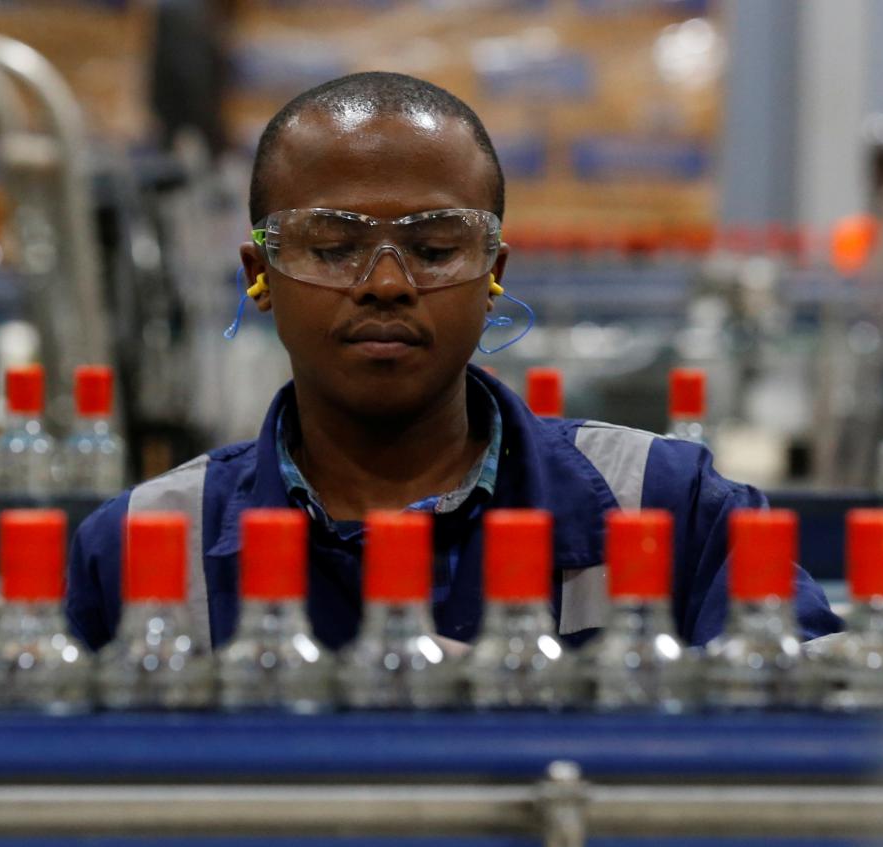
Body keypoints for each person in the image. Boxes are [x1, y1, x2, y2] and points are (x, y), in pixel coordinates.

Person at [65, 71, 841, 654]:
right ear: (257, 275)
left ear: (494, 269)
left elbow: (814, 756)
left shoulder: (673, 510)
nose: (386, 286)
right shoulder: (142, 546)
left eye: (435, 250)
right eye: (333, 249)